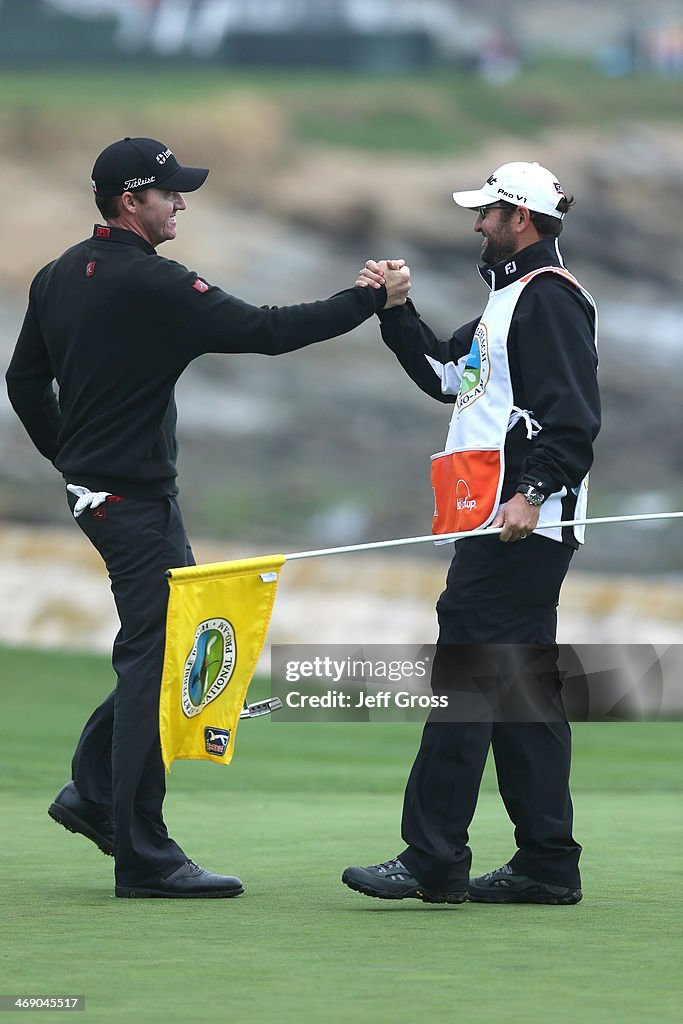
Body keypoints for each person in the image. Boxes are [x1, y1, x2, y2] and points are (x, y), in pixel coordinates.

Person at [5, 136, 410, 900]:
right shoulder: (152, 284)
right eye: (170, 193)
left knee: (163, 649)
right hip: (133, 502)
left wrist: (72, 462)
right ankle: (143, 854)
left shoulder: (59, 273)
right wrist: (367, 299)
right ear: (131, 202)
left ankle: (94, 796)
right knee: (158, 664)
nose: (182, 203)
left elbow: (24, 380)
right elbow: (266, 331)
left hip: (105, 495)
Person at [342, 161, 600, 906]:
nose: (476, 224)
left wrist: (530, 492)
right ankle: (546, 864)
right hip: (500, 520)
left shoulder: (545, 299)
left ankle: (432, 856)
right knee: (520, 689)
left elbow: (573, 417)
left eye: (486, 213)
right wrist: (396, 308)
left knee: (466, 675)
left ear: (519, 219)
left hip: (517, 526)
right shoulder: (509, 302)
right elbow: (444, 374)